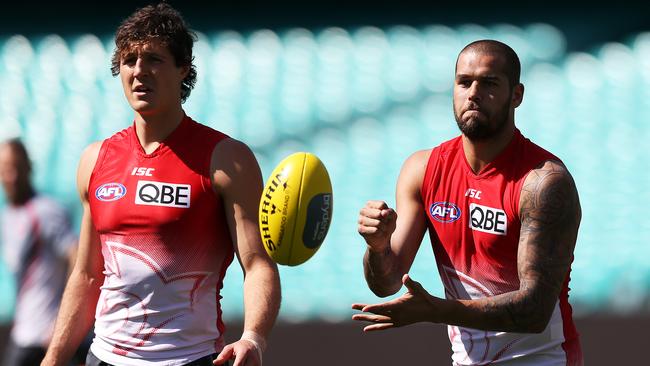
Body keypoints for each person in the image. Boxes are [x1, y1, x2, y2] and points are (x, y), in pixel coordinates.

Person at [40, 3, 281, 366]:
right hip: (102, 357)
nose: (139, 72)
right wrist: (54, 358)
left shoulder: (227, 159)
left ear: (183, 68)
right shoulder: (95, 159)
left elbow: (258, 263)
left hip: (189, 359)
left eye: (153, 59)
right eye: (129, 60)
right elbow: (88, 274)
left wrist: (253, 337)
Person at [352, 40, 583, 365]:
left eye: (489, 83)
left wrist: (435, 311)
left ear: (516, 95)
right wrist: (377, 247)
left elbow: (534, 312)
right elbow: (387, 282)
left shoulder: (543, 183)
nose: (473, 93)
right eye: (464, 82)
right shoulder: (423, 170)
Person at [0, 138, 79, 366]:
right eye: (5, 170)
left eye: (16, 168)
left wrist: (60, 321)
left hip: (44, 335)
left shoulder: (46, 211)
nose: (11, 177)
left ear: (28, 168)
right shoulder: (8, 214)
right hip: (22, 330)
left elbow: (76, 257)